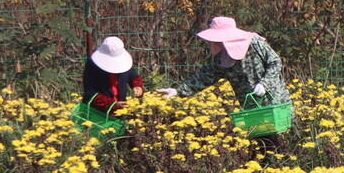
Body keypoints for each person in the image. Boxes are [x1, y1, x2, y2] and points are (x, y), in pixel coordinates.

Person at [158, 15, 291, 112]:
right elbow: (203, 77)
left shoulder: (255, 43)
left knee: (280, 140)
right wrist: (177, 91)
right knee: (262, 145)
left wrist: (264, 84)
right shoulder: (221, 59)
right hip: (251, 109)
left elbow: (275, 62)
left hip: (275, 102)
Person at [82, 35, 144, 113]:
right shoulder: (92, 65)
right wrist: (111, 104)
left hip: (121, 111)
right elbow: (90, 92)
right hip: (98, 113)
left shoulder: (124, 62)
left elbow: (133, 76)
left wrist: (137, 86)